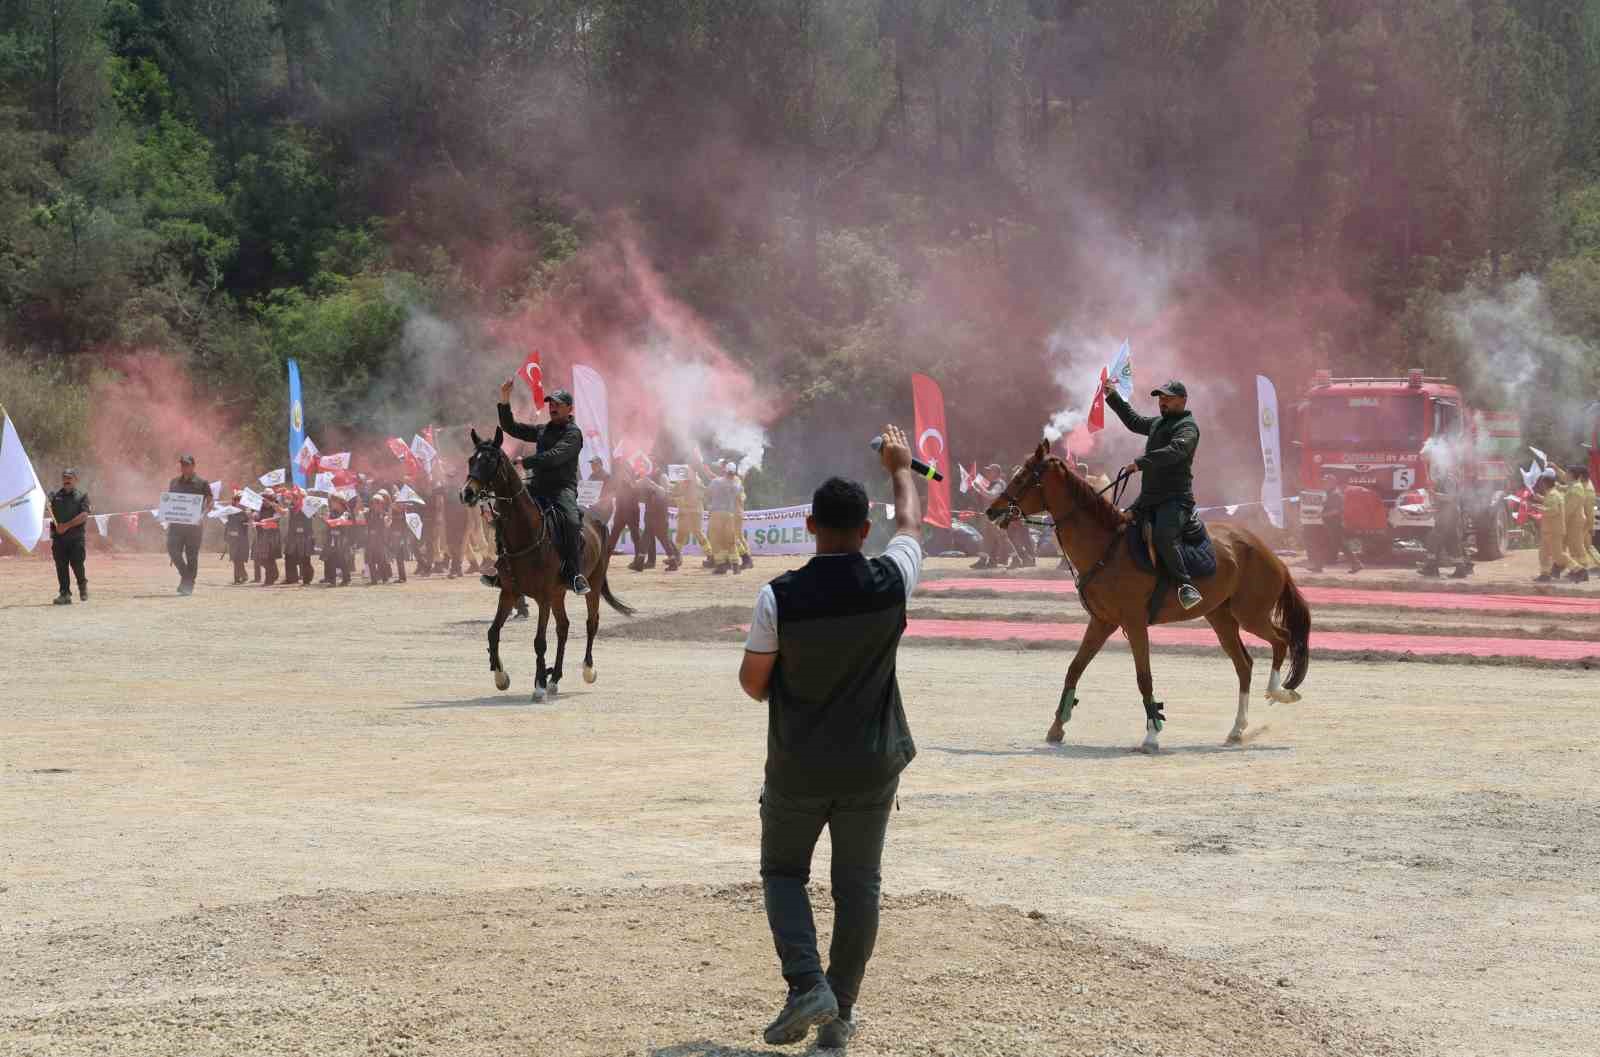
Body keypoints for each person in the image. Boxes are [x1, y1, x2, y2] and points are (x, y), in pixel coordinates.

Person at [737, 424, 924, 1050]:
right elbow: (913, 525)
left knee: (784, 872)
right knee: (859, 886)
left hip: (798, 765)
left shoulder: (778, 596)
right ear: (864, 530)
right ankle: (839, 1013)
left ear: (810, 527)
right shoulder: (891, 581)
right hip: (873, 765)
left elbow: (753, 683)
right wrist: (900, 466)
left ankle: (806, 983)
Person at [1102, 377, 1203, 610]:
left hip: (1176, 498)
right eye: (1161, 398)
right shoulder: (1159, 423)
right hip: (1149, 497)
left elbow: (1175, 451)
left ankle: (1185, 586)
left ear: (1183, 400)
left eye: (1168, 398)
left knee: (1163, 536)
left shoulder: (1187, 427)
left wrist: (1141, 463)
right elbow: (1134, 421)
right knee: (1119, 526)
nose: (1163, 402)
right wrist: (1113, 396)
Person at [491, 379, 589, 594]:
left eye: (557, 404)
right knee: (505, 512)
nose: (552, 407)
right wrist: (505, 399)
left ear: (569, 408)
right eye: (550, 403)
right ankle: (503, 568)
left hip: (562, 489)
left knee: (571, 521)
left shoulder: (573, 434)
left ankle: (574, 574)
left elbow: (556, 457)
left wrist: (525, 462)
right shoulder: (543, 430)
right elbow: (511, 427)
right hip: (537, 486)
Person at [166, 455, 211, 595]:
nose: (184, 467)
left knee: (191, 556)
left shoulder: (202, 483)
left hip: (194, 526)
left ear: (193, 466)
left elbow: (210, 502)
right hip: (176, 525)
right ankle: (187, 578)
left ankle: (187, 585)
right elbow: (170, 502)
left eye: (187, 465)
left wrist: (203, 515)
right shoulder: (174, 482)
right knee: (172, 550)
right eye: (182, 465)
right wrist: (167, 515)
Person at [48, 467, 92, 604]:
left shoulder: (82, 496)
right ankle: (65, 594)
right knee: (61, 566)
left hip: (75, 539)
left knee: (77, 564)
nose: (66, 480)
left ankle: (82, 585)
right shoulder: (55, 496)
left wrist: (66, 526)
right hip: (59, 539)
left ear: (75, 480)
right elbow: (46, 506)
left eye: (69, 478)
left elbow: (84, 515)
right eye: (65, 478)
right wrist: (44, 502)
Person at [1419, 469, 1472, 579]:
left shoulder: (1448, 480)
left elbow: (1450, 497)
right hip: (1448, 512)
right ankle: (1461, 568)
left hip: (1449, 512)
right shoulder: (1445, 479)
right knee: (1452, 541)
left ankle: (1432, 567)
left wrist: (1434, 494)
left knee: (1434, 538)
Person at [1310, 475, 1362, 574]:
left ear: (1332, 483)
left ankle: (1356, 564)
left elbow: (1336, 510)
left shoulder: (1335, 494)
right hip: (1329, 524)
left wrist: (1322, 514)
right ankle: (1318, 566)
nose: (1324, 483)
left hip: (1335, 524)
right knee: (1324, 544)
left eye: (1326, 482)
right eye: (1324, 481)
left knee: (1341, 545)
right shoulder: (1329, 493)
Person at [637, 470, 681, 571]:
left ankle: (640, 562)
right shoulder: (658, 490)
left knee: (661, 540)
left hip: (656, 520)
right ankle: (640, 562)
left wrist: (646, 480)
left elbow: (655, 490)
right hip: (656, 520)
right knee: (661, 540)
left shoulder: (659, 490)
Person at [706, 462, 743, 574]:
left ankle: (721, 565)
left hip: (717, 514)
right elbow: (739, 497)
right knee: (730, 541)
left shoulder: (716, 482)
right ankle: (736, 566)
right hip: (730, 515)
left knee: (716, 540)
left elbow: (707, 493)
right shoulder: (737, 486)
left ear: (725, 471)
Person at [672, 463, 712, 562]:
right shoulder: (681, 482)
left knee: (697, 532)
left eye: (689, 472)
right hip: (684, 512)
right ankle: (677, 556)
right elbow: (674, 493)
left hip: (694, 511)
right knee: (680, 533)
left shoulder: (696, 482)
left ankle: (710, 556)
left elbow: (702, 493)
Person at [1533, 469, 1566, 582]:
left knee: (1558, 555)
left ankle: (1578, 569)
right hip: (1549, 529)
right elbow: (1549, 504)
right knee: (1543, 554)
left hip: (1554, 530)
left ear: (1546, 483)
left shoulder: (1553, 494)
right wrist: (1539, 501)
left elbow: (1553, 511)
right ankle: (1545, 574)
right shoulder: (1552, 494)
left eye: (1542, 482)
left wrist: (1538, 508)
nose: (1541, 485)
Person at [224, 491, 251, 584]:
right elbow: (228, 524)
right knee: (235, 559)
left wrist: (247, 513)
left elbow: (248, 521)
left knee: (239, 559)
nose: (237, 501)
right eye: (236, 500)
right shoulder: (230, 512)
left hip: (242, 539)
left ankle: (241, 577)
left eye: (239, 500)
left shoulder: (245, 512)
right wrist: (227, 535)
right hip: (233, 539)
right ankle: (239, 577)